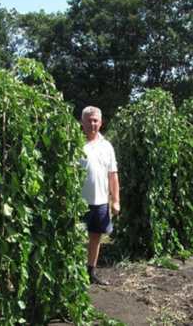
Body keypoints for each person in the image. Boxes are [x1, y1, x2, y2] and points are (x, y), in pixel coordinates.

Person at [80, 106, 120, 286]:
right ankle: (72, 270)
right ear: (82, 122)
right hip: (78, 202)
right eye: (88, 120)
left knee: (95, 237)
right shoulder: (74, 143)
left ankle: (91, 271)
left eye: (95, 120)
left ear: (101, 122)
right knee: (73, 236)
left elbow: (113, 175)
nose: (92, 123)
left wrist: (116, 200)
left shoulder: (107, 146)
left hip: (100, 200)